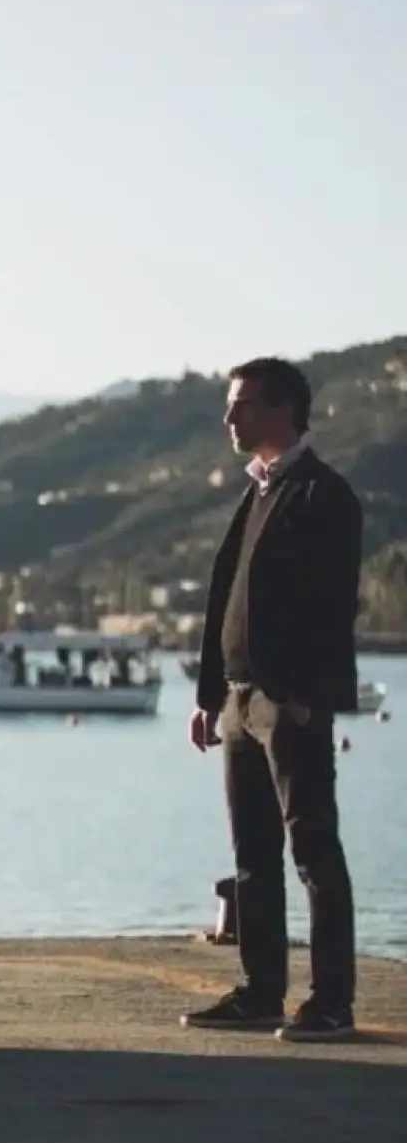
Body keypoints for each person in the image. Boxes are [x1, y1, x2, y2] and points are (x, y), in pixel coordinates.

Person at [182, 356, 363, 1043]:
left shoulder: (322, 495)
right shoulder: (257, 491)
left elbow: (333, 606)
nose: (230, 417)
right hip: (237, 702)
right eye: (231, 406)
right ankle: (261, 994)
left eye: (244, 405)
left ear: (285, 409)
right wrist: (209, 696)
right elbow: (224, 600)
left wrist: (306, 695)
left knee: (313, 850)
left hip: (288, 703)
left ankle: (331, 1003)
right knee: (252, 855)